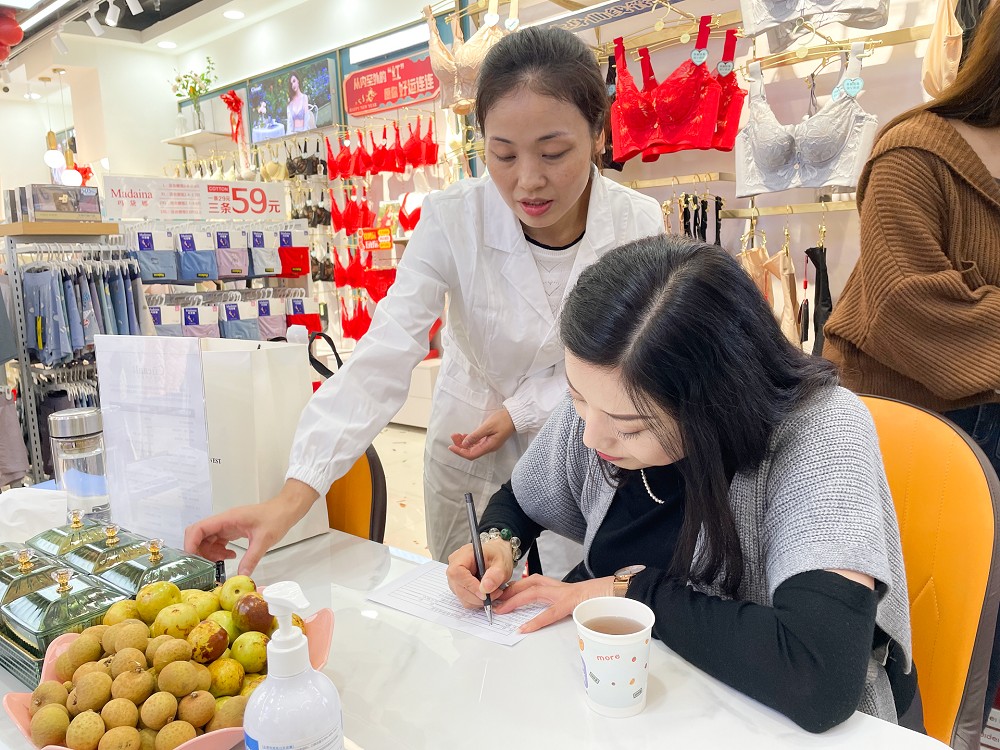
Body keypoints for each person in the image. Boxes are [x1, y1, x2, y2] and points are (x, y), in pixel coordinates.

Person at [185, 27, 663, 572]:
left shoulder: (636, 223)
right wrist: (294, 496)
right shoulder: (454, 218)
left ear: (598, 134)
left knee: (566, 597)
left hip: (582, 443)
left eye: (553, 153)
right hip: (468, 439)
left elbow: (628, 363)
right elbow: (384, 353)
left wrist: (522, 410)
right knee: (467, 591)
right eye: (503, 155)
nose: (528, 181)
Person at [447, 235, 916, 732]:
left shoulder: (821, 432)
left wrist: (634, 592)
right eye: (576, 396)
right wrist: (498, 543)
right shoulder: (605, 398)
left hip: (764, 722)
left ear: (714, 401)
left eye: (631, 427)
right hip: (632, 705)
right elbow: (521, 500)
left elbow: (817, 676)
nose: (590, 435)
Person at [823, 0, 1000, 723]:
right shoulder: (916, 154)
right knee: (917, 664)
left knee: (977, 660)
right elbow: (910, 310)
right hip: (918, 444)